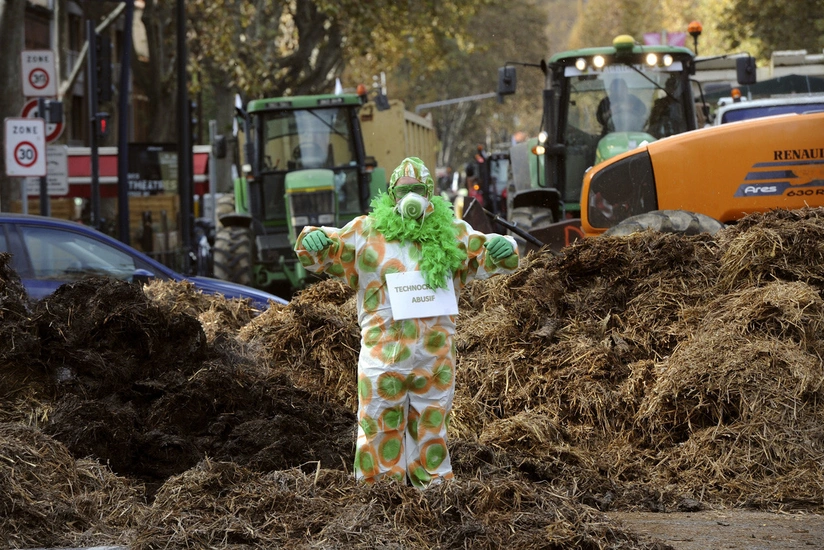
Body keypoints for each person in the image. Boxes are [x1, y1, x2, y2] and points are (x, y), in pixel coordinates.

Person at [294, 156, 520, 489]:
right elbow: (330, 247)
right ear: (391, 194)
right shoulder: (368, 231)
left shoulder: (453, 233)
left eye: (417, 189)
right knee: (377, 424)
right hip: (382, 354)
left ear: (430, 192)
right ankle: (379, 493)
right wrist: (312, 239)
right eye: (403, 190)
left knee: (431, 425)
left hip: (435, 355)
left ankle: (435, 493)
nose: (410, 196)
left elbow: (488, 252)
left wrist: (505, 244)